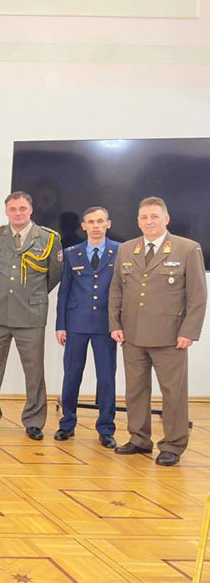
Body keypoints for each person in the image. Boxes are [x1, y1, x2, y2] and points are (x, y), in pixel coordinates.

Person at [110, 196, 206, 466]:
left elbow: (198, 296)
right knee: (135, 390)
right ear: (138, 221)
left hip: (170, 336)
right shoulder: (127, 249)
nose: (149, 221)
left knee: (173, 393)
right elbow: (116, 290)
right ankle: (139, 439)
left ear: (166, 219)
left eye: (154, 216)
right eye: (144, 217)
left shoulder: (187, 249)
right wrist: (115, 324)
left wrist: (189, 331)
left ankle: (173, 445)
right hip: (132, 334)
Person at [0, 191, 63, 440]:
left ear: (31, 210)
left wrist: (31, 296)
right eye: (13, 209)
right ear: (6, 211)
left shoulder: (48, 238)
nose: (18, 213)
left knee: (34, 372)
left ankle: (34, 421)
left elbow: (54, 275)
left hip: (30, 315)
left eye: (22, 208)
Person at [55, 206, 120, 448]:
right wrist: (60, 326)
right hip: (76, 323)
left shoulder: (120, 251)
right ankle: (67, 424)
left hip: (106, 325)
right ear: (83, 226)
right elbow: (64, 292)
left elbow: (124, 290)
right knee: (72, 375)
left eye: (100, 221)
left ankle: (106, 428)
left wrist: (120, 323)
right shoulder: (72, 253)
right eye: (91, 222)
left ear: (108, 224)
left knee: (106, 378)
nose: (95, 226)